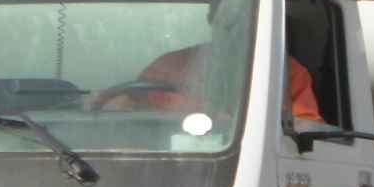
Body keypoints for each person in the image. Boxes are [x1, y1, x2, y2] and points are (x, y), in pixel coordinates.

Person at [94, 41, 323, 123]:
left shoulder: (282, 70)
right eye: (226, 12)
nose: (234, 20)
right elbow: (127, 104)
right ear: (213, 16)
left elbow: (302, 131)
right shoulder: (169, 64)